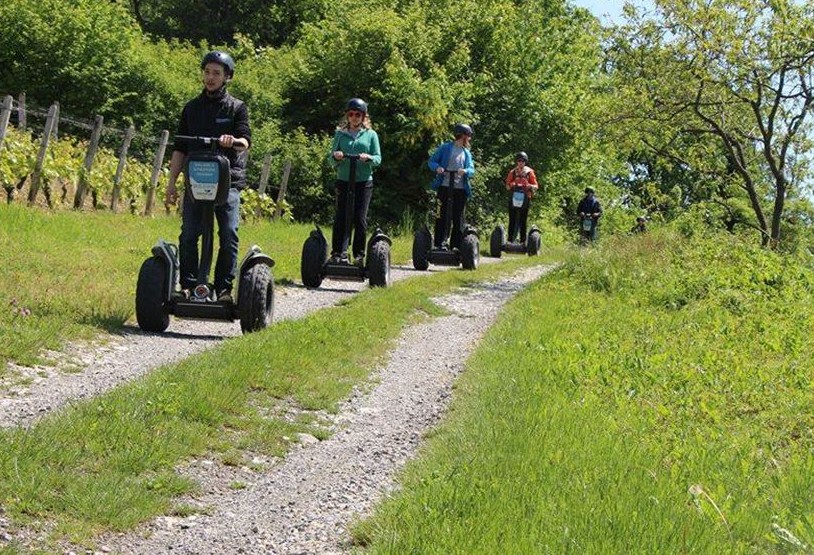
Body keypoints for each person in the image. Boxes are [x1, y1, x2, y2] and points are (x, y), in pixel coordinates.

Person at [165, 51, 251, 303]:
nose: (210, 78)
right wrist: (171, 185)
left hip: (228, 182)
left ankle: (223, 289)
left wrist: (233, 140)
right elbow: (180, 148)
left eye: (216, 73)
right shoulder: (191, 108)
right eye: (207, 72)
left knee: (228, 233)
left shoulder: (237, 108)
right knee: (189, 233)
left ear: (227, 77)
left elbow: (245, 140)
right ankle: (190, 287)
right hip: (197, 182)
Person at [327, 98, 382, 266]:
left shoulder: (371, 135)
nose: (354, 117)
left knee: (359, 218)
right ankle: (338, 252)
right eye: (351, 114)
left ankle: (359, 255)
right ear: (347, 116)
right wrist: (336, 157)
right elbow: (330, 158)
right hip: (343, 180)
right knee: (341, 217)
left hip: (363, 182)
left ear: (363, 116)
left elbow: (378, 159)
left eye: (357, 114)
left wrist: (369, 158)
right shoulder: (340, 134)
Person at [428, 123, 475, 250]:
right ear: (463, 136)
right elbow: (432, 161)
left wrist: (465, 171)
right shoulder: (445, 148)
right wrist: (437, 168)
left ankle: (456, 246)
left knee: (458, 217)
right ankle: (439, 243)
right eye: (469, 136)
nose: (469, 138)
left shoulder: (466, 153)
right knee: (441, 215)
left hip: (460, 189)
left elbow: (472, 169)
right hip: (444, 186)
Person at [504, 151, 538, 243]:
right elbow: (507, 186)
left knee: (523, 220)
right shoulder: (512, 172)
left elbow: (536, 186)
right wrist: (512, 184)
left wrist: (529, 186)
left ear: (525, 162)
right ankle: (509, 240)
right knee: (512, 219)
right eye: (519, 161)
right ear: (516, 162)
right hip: (514, 198)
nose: (521, 163)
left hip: (525, 198)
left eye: (523, 161)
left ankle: (523, 241)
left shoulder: (529, 172)